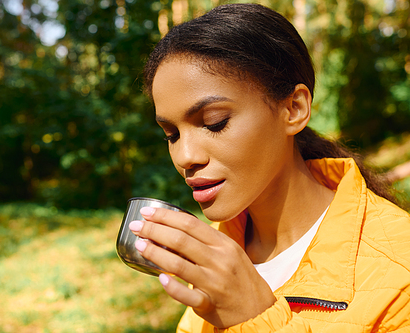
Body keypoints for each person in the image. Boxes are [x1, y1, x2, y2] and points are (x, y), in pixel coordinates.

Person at [127, 3, 410, 332]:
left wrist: (256, 319)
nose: (184, 157)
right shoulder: (218, 249)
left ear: (293, 109)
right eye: (172, 135)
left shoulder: (398, 272)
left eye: (214, 123)